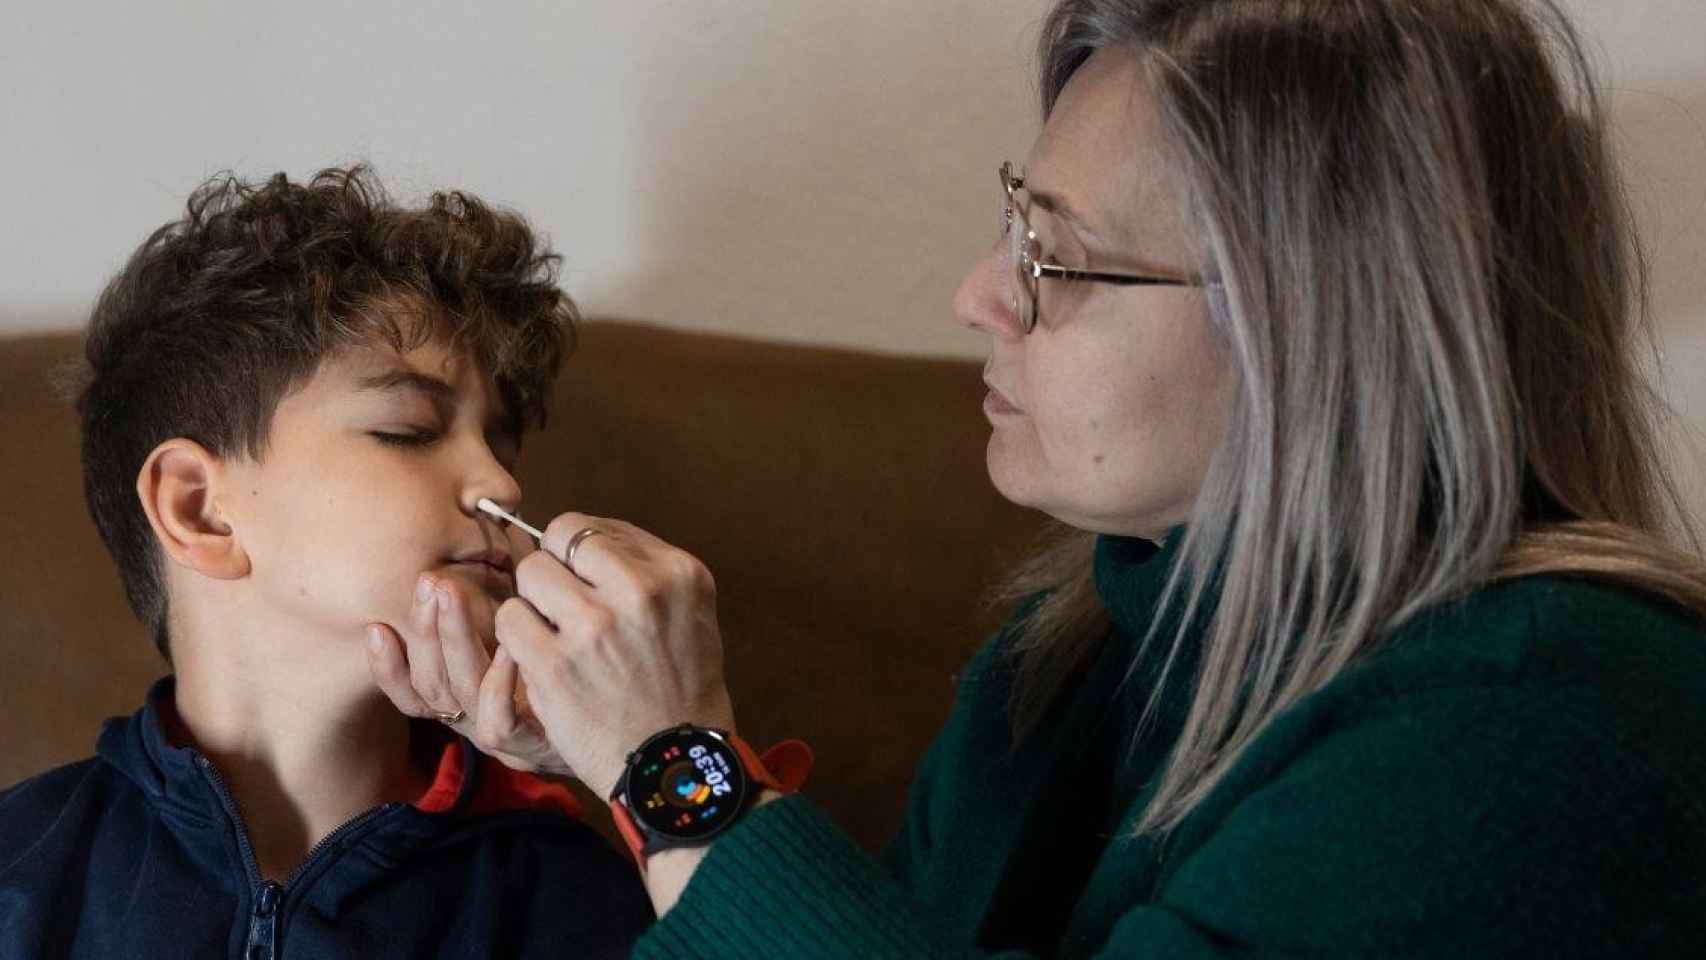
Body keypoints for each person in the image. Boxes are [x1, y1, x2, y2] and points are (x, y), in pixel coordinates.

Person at [375, 0, 1706, 955]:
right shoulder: (1068, 664)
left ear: (1313, 326)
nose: (976, 296)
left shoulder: (1543, 724)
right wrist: (613, 768)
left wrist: (675, 764)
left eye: (1055, 258)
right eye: (1013, 223)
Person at [0, 166, 652, 958]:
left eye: (502, 444)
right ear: (198, 509)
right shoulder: (23, 871)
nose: (501, 486)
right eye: (410, 429)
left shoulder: (564, 891)